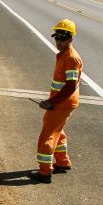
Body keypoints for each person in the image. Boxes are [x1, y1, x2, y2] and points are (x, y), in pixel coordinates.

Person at [31, 19, 83, 184]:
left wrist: (51, 102)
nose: (59, 42)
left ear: (71, 39)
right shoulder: (65, 55)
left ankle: (45, 172)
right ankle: (63, 162)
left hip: (62, 103)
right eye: (57, 38)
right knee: (58, 131)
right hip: (62, 102)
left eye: (63, 38)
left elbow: (71, 86)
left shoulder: (71, 58)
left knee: (47, 136)